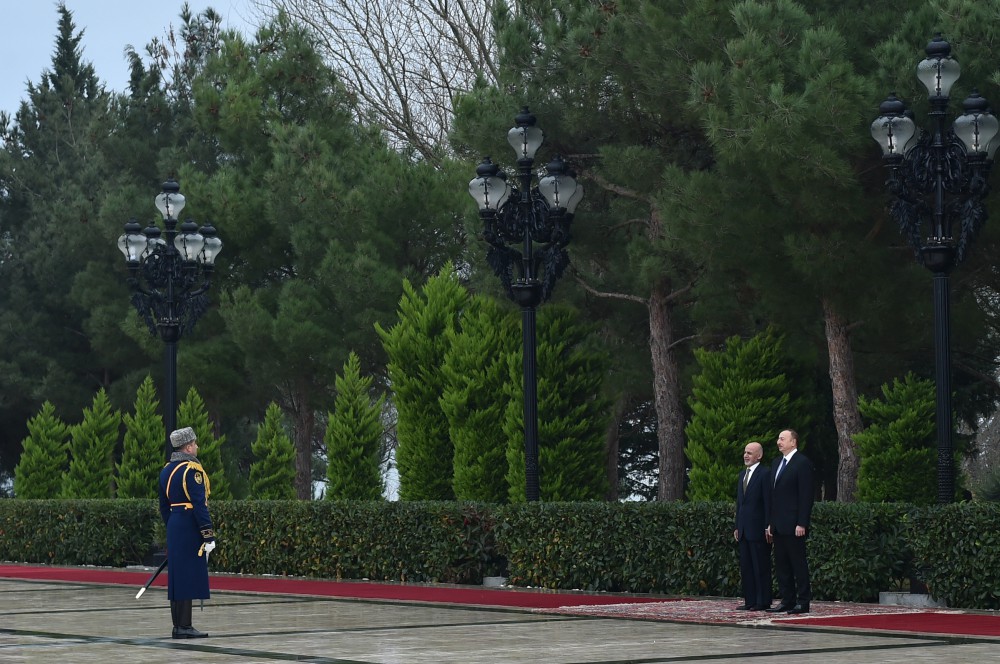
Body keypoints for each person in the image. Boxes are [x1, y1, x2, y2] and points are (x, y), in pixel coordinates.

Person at [159, 426, 216, 638]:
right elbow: (200, 505)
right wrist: (208, 534)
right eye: (195, 444)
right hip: (189, 525)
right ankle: (185, 626)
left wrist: (173, 526)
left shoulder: (166, 470)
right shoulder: (192, 470)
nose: (197, 447)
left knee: (177, 577)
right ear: (189, 447)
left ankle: (179, 626)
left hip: (175, 524)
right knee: (188, 576)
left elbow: (164, 507)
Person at [765, 428, 814, 614]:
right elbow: (774, 496)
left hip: (794, 524)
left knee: (798, 564)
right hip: (778, 525)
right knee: (782, 565)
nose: (779, 442)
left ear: (793, 442)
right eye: (778, 438)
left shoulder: (802, 463)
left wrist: (802, 522)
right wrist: (771, 522)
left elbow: (806, 495)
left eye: (782, 439)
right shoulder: (777, 463)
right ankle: (787, 600)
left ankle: (803, 601)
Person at [733, 441, 771, 610]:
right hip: (743, 529)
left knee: (760, 566)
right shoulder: (742, 474)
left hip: (758, 529)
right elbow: (739, 504)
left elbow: (768, 503)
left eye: (749, 452)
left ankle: (762, 601)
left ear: (759, 456)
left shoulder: (765, 474)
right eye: (745, 452)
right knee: (746, 567)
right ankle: (750, 601)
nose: (746, 455)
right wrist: (737, 526)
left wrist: (768, 525)